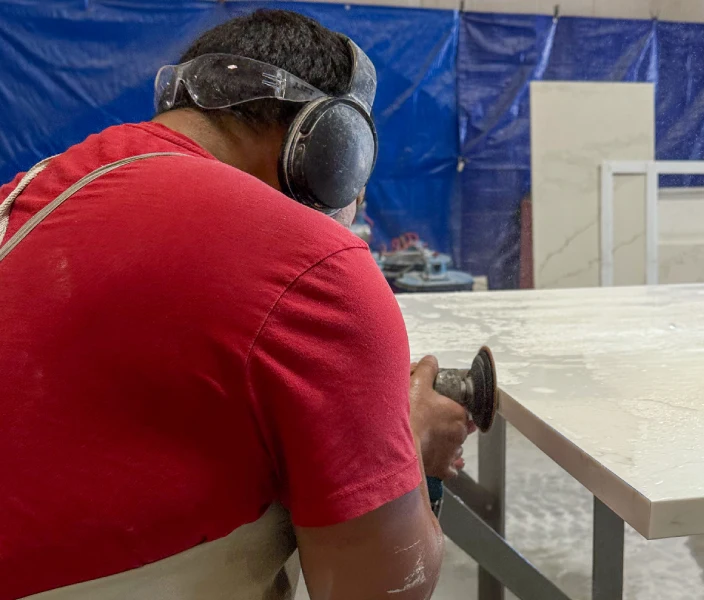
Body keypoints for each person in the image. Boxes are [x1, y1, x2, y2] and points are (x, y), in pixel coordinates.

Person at [0, 10, 473, 600]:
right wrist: (412, 449)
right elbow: (380, 589)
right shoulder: (312, 264)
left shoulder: (31, 193)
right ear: (333, 141)